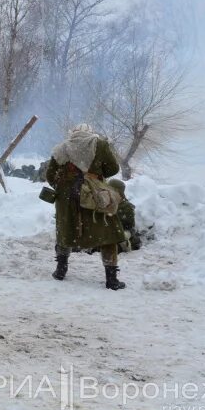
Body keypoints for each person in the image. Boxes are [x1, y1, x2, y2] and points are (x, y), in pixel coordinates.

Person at [46, 124, 127, 290]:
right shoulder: (100, 144)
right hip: (93, 195)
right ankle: (111, 279)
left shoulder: (61, 148)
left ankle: (60, 270)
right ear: (91, 133)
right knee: (107, 233)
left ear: (73, 133)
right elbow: (113, 168)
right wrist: (96, 176)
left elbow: (49, 175)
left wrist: (63, 187)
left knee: (65, 230)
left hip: (66, 197)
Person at [108, 179, 142, 251]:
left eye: (111, 190)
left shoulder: (126, 207)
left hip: (121, 233)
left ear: (118, 192)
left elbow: (129, 226)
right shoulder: (106, 202)